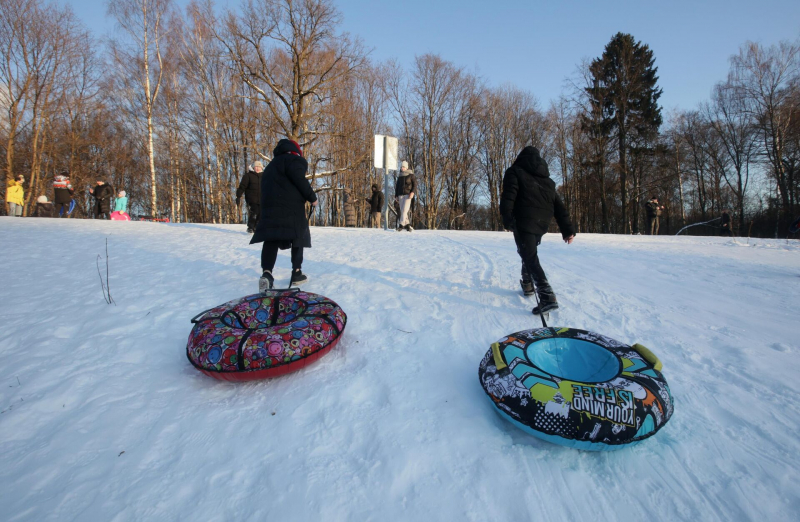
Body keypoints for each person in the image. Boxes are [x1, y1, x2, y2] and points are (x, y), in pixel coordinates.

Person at [500, 146, 575, 315]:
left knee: (529, 256)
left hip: (524, 220)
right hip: (542, 223)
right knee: (528, 252)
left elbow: (509, 196)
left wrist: (507, 218)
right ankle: (527, 284)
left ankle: (547, 296)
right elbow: (559, 207)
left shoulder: (515, 172)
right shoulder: (547, 181)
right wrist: (567, 229)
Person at [251, 139, 318, 291]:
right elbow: (299, 179)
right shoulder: (294, 160)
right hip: (291, 207)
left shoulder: (270, 167)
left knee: (271, 239)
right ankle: (297, 273)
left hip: (270, 208)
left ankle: (267, 274)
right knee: (297, 236)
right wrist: (312, 197)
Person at [236, 161, 263, 233]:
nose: (258, 168)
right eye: (256, 167)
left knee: (261, 213)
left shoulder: (264, 176)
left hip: (262, 198)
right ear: (253, 167)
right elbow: (242, 186)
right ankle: (250, 227)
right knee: (255, 211)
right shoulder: (248, 176)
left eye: (259, 167)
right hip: (252, 198)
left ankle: (257, 227)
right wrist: (238, 196)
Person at [394, 161, 416, 231]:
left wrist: (412, 192)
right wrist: (396, 195)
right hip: (400, 195)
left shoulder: (411, 175)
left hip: (408, 195)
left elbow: (415, 185)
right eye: (401, 167)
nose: (402, 168)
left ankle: (401, 225)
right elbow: (397, 186)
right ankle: (408, 225)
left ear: (406, 167)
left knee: (404, 210)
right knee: (402, 210)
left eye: (403, 167)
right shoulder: (400, 176)